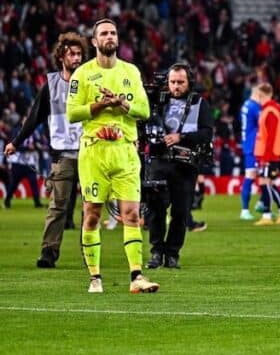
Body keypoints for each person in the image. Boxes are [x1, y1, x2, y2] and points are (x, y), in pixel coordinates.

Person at [66, 18, 158, 294]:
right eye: (104, 33)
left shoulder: (131, 71)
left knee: (131, 215)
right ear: (94, 42)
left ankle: (137, 277)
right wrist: (99, 105)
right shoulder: (81, 74)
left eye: (113, 33)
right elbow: (72, 113)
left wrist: (122, 103)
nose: (109, 36)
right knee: (91, 214)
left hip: (126, 151)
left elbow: (144, 111)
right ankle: (95, 278)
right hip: (95, 152)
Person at [4, 31, 86, 267]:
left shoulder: (91, 80)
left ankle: (90, 255)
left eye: (80, 53)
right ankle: (48, 253)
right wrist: (16, 142)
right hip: (62, 154)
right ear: (61, 56)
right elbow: (34, 118)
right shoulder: (50, 85)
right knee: (57, 207)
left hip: (90, 153)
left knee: (90, 208)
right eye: (72, 54)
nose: (77, 58)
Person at [145, 63, 214, 269]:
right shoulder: (156, 103)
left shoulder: (200, 104)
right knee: (156, 210)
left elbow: (207, 133)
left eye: (180, 82)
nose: (176, 86)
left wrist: (181, 137)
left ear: (189, 82)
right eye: (172, 82)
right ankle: (156, 252)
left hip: (186, 165)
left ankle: (172, 253)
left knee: (181, 212)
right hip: (160, 161)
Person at [252, 84, 280, 226]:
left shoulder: (270, 111)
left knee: (266, 183)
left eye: (257, 94)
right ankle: (279, 212)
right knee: (267, 183)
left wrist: (266, 158)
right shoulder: (269, 110)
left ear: (261, 94)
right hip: (267, 154)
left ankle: (272, 214)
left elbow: (271, 137)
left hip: (270, 155)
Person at [238, 84, 261, 220]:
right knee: (252, 176)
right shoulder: (254, 107)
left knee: (263, 176)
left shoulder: (245, 105)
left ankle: (261, 203)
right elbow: (263, 121)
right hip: (254, 146)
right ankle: (245, 210)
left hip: (249, 144)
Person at [4, 130, 43, 208]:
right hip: (18, 162)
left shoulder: (34, 132)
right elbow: (13, 145)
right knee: (14, 184)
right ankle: (7, 200)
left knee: (33, 182)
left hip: (30, 162)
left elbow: (39, 143)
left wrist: (36, 146)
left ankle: (37, 203)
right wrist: (26, 148)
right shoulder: (16, 131)